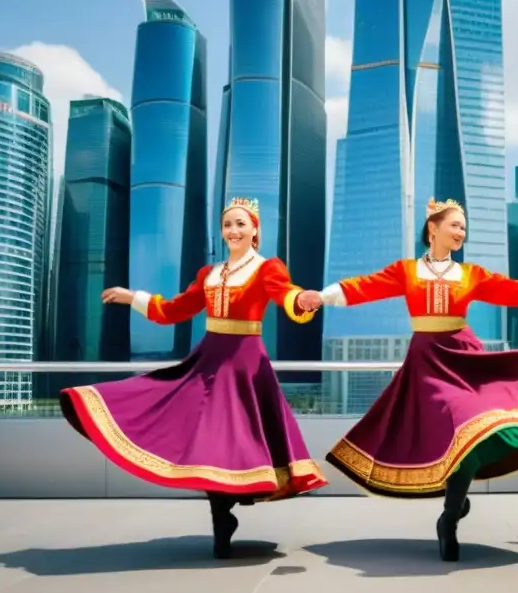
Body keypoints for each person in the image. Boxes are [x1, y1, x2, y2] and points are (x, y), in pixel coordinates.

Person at [297, 197, 518, 562]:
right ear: (433, 228)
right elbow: (365, 286)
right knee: (453, 427)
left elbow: (517, 290)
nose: (461, 232)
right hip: (427, 363)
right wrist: (322, 296)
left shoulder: (471, 275)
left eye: (463, 226)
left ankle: (449, 516)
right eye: (455, 225)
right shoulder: (406, 271)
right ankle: (454, 509)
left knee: (470, 428)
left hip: (465, 359)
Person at [59, 196, 329, 559]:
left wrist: (303, 301)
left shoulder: (268, 268)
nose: (233, 230)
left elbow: (286, 296)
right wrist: (132, 297)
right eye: (227, 225)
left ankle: (225, 514)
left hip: (245, 365)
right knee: (206, 441)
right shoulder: (209, 274)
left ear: (255, 232)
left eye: (240, 224)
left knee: (234, 442)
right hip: (208, 362)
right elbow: (175, 310)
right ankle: (222, 517)